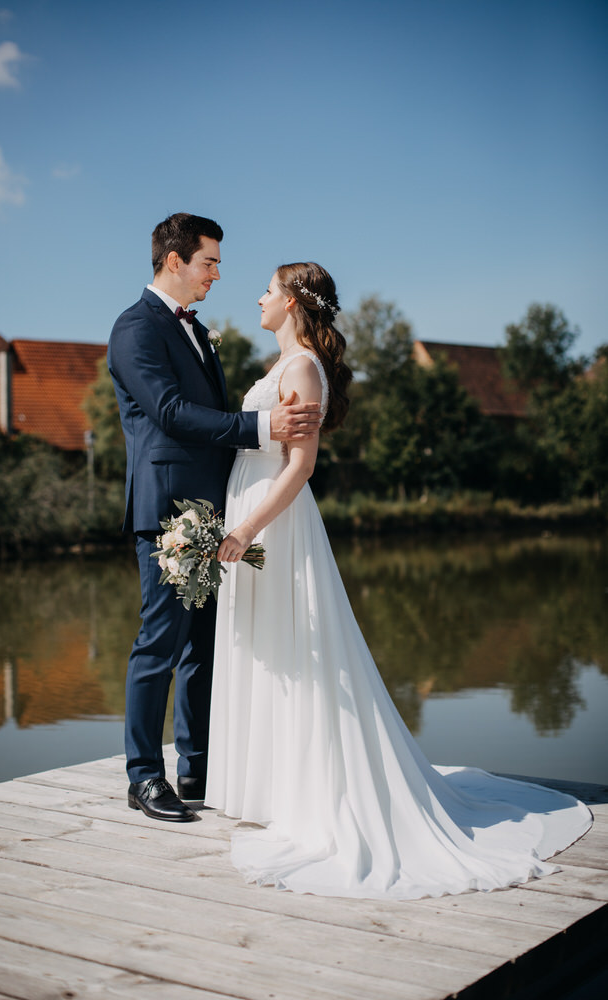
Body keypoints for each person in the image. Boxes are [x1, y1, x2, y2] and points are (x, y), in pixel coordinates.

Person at [204, 261, 592, 899]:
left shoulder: (301, 369)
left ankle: (313, 792)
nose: (259, 299)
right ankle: (272, 787)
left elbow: (299, 468)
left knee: (299, 654)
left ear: (295, 303)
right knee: (270, 651)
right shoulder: (282, 367)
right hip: (252, 514)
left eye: (269, 291)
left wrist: (246, 530)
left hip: (273, 524)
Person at [107, 215, 321, 824]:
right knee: (159, 644)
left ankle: (197, 767)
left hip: (216, 510)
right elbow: (171, 413)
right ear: (174, 261)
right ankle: (144, 777)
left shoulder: (197, 331)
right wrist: (260, 428)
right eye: (210, 262)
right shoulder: (135, 328)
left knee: (203, 647)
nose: (217, 275)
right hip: (168, 509)